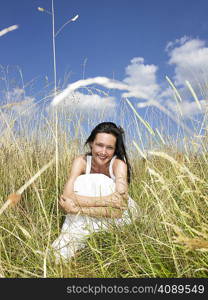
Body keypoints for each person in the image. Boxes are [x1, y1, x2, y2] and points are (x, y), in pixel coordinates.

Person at [51, 122, 139, 262]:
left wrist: (77, 209)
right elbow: (66, 197)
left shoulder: (119, 164)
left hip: (119, 218)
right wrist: (108, 200)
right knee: (81, 181)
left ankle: (83, 245)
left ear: (115, 149)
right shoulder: (81, 162)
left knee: (96, 180)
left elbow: (118, 210)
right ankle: (76, 246)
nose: (103, 152)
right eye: (99, 145)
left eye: (109, 147)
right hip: (97, 212)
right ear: (91, 143)